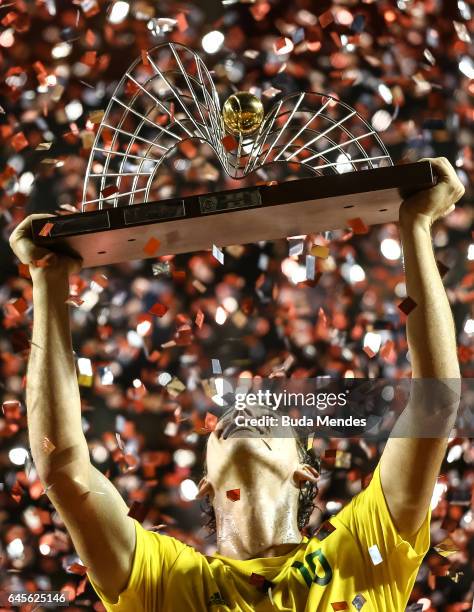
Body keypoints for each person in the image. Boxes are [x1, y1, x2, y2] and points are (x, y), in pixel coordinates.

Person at [9, 157, 464, 611]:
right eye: (230, 418)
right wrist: (48, 278)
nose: (246, 411)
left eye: (269, 418)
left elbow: (434, 405)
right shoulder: (164, 579)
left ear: (305, 471)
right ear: (205, 483)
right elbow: (63, 468)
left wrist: (416, 226)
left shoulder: (362, 553)